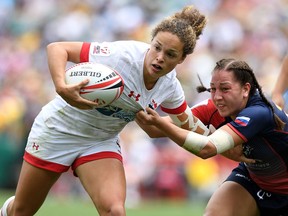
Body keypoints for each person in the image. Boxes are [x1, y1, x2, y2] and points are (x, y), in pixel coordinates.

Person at [0, 5, 209, 216]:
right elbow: (57, 48)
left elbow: (186, 125)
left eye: (170, 54)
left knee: (115, 211)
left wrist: (223, 140)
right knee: (21, 211)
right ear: (150, 41)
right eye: (157, 47)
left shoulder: (171, 88)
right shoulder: (121, 56)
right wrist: (62, 87)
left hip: (100, 140)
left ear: (182, 59)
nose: (160, 57)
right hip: (59, 129)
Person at [136, 58, 288, 216]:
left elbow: (207, 149)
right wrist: (131, 96)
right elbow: (153, 129)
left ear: (245, 89)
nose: (217, 97)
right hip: (254, 180)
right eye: (213, 89)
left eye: (225, 89)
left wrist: (160, 123)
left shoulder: (259, 112)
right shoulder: (212, 108)